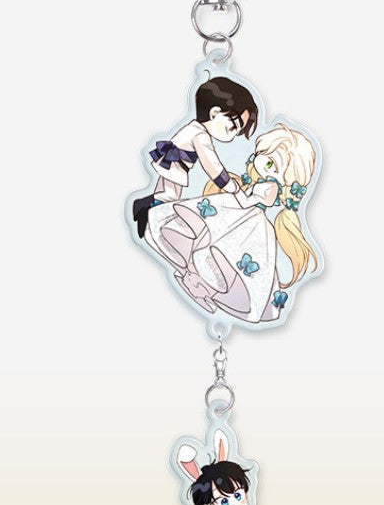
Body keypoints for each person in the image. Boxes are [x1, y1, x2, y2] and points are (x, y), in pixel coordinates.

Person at [145, 124, 317, 323]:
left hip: (247, 221)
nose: (268, 169)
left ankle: (204, 287)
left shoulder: (270, 188)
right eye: (268, 160)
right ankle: (195, 279)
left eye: (276, 168)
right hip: (235, 209)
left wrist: (237, 193)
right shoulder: (258, 183)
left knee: (224, 255)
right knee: (207, 241)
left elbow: (248, 201)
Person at [132, 77, 258, 238]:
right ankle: (143, 207)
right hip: (175, 165)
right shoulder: (200, 135)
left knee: (164, 193)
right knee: (169, 197)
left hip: (170, 162)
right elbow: (212, 165)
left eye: (237, 132)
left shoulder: (194, 127)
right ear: (214, 113)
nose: (232, 136)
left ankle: (146, 216)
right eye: (233, 127)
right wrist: (232, 187)